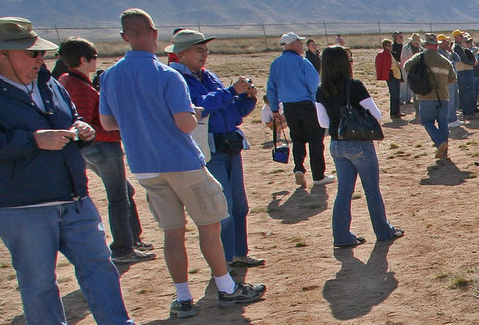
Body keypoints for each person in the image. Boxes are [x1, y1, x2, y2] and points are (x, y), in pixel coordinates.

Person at [0, 17, 162, 325]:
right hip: (19, 203)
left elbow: (72, 115)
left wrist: (81, 128)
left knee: (98, 265)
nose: (40, 61)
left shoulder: (47, 83)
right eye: (31, 54)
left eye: (41, 54)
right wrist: (32, 141)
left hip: (72, 195)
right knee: (38, 275)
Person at [98, 8, 265, 316]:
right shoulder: (167, 75)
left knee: (172, 233)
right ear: (155, 34)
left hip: (144, 165)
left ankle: (183, 297)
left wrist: (141, 124)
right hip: (181, 160)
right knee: (209, 227)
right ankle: (227, 288)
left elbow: (108, 123)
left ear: (124, 37)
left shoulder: (110, 76)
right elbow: (185, 124)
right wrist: (194, 113)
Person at [170, 30, 261, 268]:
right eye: (199, 50)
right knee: (224, 207)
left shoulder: (207, 76)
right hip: (209, 149)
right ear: (182, 54)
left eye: (205, 50)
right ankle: (225, 260)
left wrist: (247, 99)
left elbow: (231, 112)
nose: (205, 55)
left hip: (230, 144)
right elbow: (198, 107)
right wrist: (231, 92)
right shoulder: (176, 80)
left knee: (239, 205)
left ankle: (239, 254)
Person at [55, 37, 151, 264]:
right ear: (83, 60)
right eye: (94, 58)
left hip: (90, 150)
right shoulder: (81, 88)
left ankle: (132, 238)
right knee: (118, 196)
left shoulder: (66, 81)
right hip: (102, 148)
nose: (96, 62)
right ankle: (123, 248)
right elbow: (89, 125)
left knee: (125, 192)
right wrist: (119, 133)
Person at [315, 46, 403, 248]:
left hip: (337, 143)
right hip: (360, 144)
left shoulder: (321, 89)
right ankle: (383, 231)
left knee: (344, 191)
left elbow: (323, 122)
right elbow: (377, 115)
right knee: (371, 189)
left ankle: (341, 236)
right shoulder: (354, 86)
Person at [266, 32, 327, 189]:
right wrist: (319, 105)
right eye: (299, 43)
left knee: (298, 139)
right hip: (307, 105)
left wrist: (274, 109)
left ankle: (299, 168)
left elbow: (271, 88)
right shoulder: (303, 62)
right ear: (292, 45)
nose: (302, 45)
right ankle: (319, 175)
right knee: (315, 140)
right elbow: (314, 85)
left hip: (289, 107)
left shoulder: (276, 64)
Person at [406, 35, 456, 163]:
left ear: (426, 45)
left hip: (427, 96)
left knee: (427, 122)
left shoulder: (420, 57)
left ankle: (440, 142)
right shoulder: (445, 60)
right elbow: (452, 78)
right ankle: (444, 151)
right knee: (443, 123)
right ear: (437, 45)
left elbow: (407, 66)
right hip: (443, 96)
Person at [452, 32, 479, 118]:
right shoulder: (457, 47)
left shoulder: (458, 46)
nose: (462, 37)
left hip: (464, 71)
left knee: (466, 92)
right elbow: (463, 59)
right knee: (468, 92)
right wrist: (473, 63)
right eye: (460, 36)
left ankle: (467, 111)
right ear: (456, 37)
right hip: (464, 71)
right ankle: (468, 112)